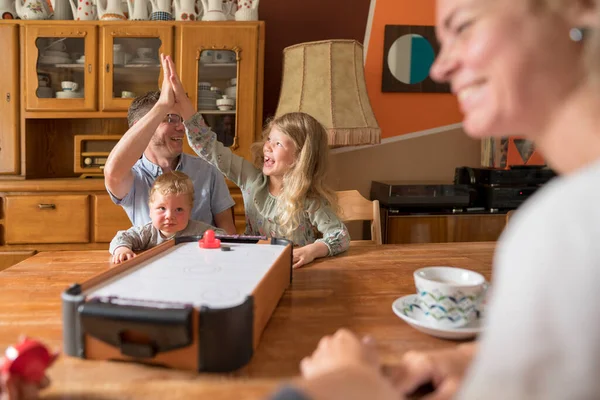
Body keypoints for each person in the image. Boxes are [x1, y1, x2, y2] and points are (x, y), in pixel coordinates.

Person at [280, 0, 600, 398]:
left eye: (463, 26)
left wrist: (348, 385)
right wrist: (483, 361)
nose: (440, 67)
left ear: (580, 9)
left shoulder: (563, 229)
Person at [158, 55, 350, 269]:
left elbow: (340, 236)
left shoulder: (309, 200)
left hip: (296, 273)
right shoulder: (251, 178)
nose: (267, 146)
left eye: (278, 144)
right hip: (252, 267)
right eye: (269, 139)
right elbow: (207, 145)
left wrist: (314, 250)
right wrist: (182, 100)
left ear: (300, 157)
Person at [103, 79, 237, 234]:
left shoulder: (208, 171)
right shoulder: (133, 176)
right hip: (154, 257)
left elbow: (229, 233)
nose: (182, 127)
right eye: (170, 119)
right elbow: (112, 173)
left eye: (181, 120)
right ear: (142, 127)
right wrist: (162, 105)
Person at [110, 171, 225, 264]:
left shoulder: (198, 231)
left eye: (179, 209)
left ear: (189, 212)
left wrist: (212, 242)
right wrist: (122, 249)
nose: (169, 216)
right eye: (162, 208)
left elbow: (223, 236)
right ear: (150, 210)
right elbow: (121, 237)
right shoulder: (147, 233)